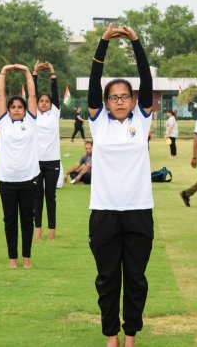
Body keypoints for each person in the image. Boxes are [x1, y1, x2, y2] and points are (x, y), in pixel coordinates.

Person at [87, 24, 153, 347]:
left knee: (137, 280)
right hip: (104, 212)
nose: (120, 101)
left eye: (125, 96)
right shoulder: (98, 124)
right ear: (106, 102)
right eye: (114, 97)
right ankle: (111, 336)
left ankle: (131, 336)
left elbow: (147, 78)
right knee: (108, 279)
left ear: (132, 99)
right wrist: (103, 44)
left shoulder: (142, 120)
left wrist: (136, 43)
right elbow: (92, 84)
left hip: (139, 211)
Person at [0, 64, 39, 269]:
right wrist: (4, 71)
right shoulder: (3, 122)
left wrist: (26, 72)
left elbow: (32, 96)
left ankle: (27, 257)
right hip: (6, 180)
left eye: (19, 107)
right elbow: (0, 94)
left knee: (27, 220)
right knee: (10, 221)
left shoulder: (30, 121)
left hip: (29, 179)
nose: (15, 109)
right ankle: (13, 258)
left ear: (25, 109)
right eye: (12, 107)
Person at [33, 61, 61, 240]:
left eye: (47, 101)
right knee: (37, 198)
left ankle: (51, 231)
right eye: (41, 101)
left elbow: (56, 93)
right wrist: (34, 72)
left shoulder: (55, 112)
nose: (44, 103)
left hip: (52, 161)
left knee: (50, 196)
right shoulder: (33, 113)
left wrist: (52, 72)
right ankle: (38, 230)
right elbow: (32, 92)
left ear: (51, 104)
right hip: (35, 161)